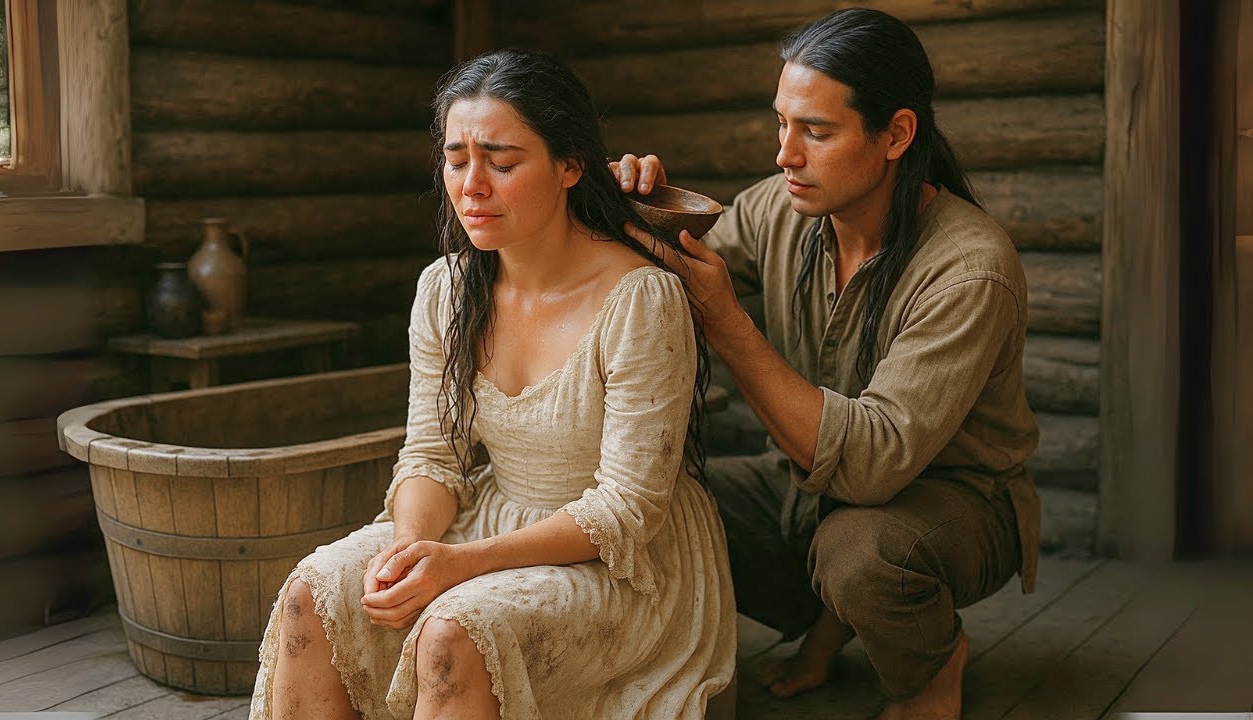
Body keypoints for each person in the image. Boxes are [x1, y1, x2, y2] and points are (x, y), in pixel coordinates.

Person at [248, 48, 736, 720]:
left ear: (569, 165)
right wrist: (409, 549)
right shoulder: (446, 291)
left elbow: (625, 511)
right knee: (316, 591)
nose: (472, 184)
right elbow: (431, 458)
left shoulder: (639, 299)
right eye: (456, 160)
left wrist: (460, 565)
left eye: (502, 163)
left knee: (453, 632)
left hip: (621, 563)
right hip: (489, 518)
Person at [613, 8, 1040, 720]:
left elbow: (873, 463)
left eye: (816, 131)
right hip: (813, 492)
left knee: (861, 555)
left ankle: (930, 671)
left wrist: (727, 321)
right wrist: (629, 199)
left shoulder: (971, 269)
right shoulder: (784, 210)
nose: (785, 154)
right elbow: (672, 256)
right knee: (663, 507)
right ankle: (821, 627)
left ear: (896, 134)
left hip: (955, 506)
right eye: (782, 123)